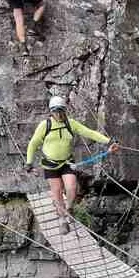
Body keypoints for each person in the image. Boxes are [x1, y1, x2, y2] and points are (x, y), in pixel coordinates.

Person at [25, 96, 119, 233]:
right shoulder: (45, 125)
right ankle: (62, 219)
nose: (59, 114)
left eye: (61, 111)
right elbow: (33, 144)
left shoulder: (71, 123)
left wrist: (108, 141)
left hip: (67, 162)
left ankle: (69, 207)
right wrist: (29, 162)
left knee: (72, 188)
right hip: (50, 164)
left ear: (65, 110)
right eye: (56, 111)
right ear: (51, 112)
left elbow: (89, 133)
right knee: (56, 190)